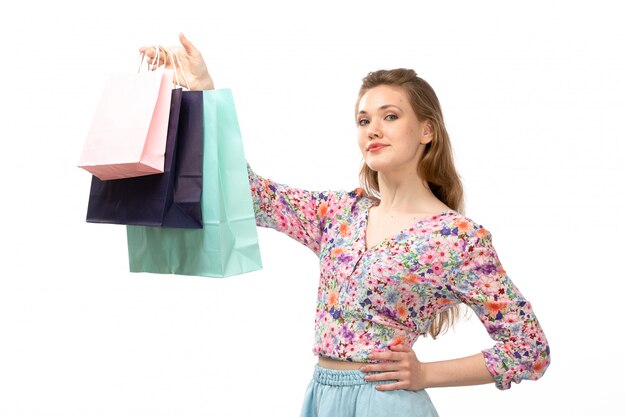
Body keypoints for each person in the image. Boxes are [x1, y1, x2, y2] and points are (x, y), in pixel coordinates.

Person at [140, 33, 550, 417]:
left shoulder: (457, 239)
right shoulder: (339, 214)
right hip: (322, 394)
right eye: (363, 120)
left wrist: (426, 374)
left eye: (390, 116)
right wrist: (204, 94)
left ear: (427, 130)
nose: (373, 129)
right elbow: (252, 194)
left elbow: (530, 349)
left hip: (386, 402)